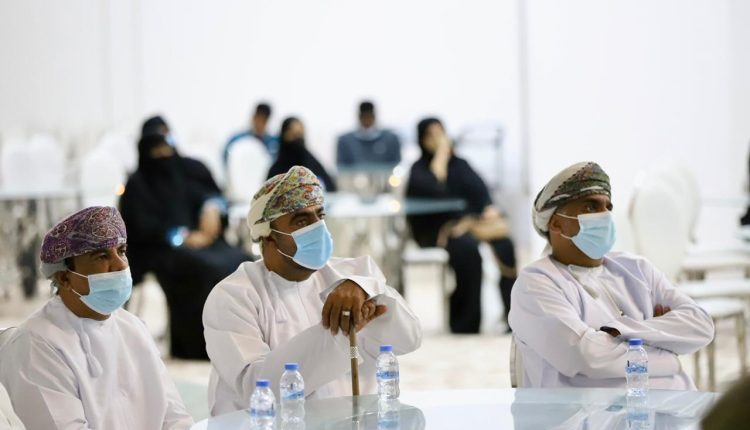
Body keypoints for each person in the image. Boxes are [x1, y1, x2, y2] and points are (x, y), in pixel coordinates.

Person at [203, 166, 422, 415]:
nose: (318, 228)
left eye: (320, 216)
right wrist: (338, 332)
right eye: (302, 221)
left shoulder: (352, 275)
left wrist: (370, 291)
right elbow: (258, 388)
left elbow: (410, 338)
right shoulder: (234, 296)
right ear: (268, 235)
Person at [509, 161, 714, 389]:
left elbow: (701, 325)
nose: (605, 215)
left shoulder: (637, 268)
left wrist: (621, 332)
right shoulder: (535, 283)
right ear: (557, 224)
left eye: (608, 206)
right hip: (591, 412)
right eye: (591, 207)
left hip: (675, 405)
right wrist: (668, 354)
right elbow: (587, 358)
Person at [0, 206, 193, 429]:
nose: (120, 265)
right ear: (64, 278)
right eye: (102, 256)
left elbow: (175, 417)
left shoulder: (132, 327)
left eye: (121, 251)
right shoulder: (36, 344)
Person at [119, 132, 248, 359]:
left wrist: (210, 209)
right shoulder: (138, 185)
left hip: (200, 242)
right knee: (207, 269)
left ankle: (241, 337)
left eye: (166, 148)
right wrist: (181, 237)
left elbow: (205, 195)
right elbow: (141, 228)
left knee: (241, 261)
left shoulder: (180, 176)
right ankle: (200, 346)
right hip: (159, 250)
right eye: (156, 150)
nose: (163, 155)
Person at [405, 118, 517, 334]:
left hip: (472, 225)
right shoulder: (419, 169)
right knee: (468, 252)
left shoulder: (460, 165)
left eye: (440, 132)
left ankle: (512, 316)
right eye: (431, 134)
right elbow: (434, 191)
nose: (438, 138)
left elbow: (480, 191)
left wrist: (488, 208)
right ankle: (466, 323)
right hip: (439, 230)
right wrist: (440, 158)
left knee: (505, 246)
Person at [267, 117, 337, 191]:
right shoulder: (276, 168)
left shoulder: (312, 162)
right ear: (284, 134)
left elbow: (330, 186)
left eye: (300, 134)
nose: (298, 139)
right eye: (293, 135)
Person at [336, 101, 401, 168]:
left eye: (369, 117)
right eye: (364, 117)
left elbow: (395, 165)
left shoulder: (391, 140)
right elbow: (342, 167)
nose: (367, 121)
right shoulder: (345, 141)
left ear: (374, 117)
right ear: (359, 118)